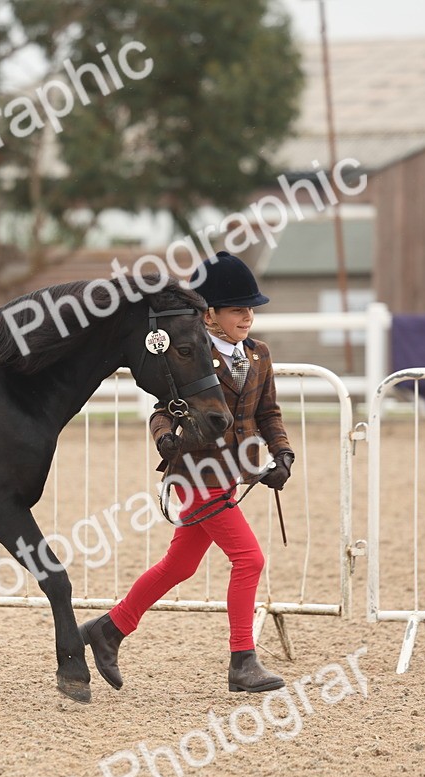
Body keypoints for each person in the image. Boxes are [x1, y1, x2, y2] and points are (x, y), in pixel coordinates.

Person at [78, 251, 295, 694]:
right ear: (210, 314)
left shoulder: (259, 355)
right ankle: (242, 661)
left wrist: (282, 454)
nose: (248, 317)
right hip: (195, 474)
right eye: (238, 309)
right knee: (249, 559)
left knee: (180, 565)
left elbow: (269, 412)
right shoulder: (193, 354)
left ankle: (110, 628)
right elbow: (162, 410)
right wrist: (164, 438)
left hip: (234, 474)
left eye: (251, 309)